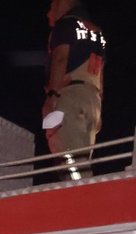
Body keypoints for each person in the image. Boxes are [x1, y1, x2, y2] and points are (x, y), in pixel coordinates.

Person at [43, 0, 106, 180]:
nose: (48, 13)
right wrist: (99, 110)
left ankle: (81, 196)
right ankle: (83, 191)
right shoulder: (97, 33)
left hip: (68, 97)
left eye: (51, 7)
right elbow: (101, 72)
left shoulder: (66, 24)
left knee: (61, 145)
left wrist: (52, 96)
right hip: (92, 102)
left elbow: (61, 58)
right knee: (81, 159)